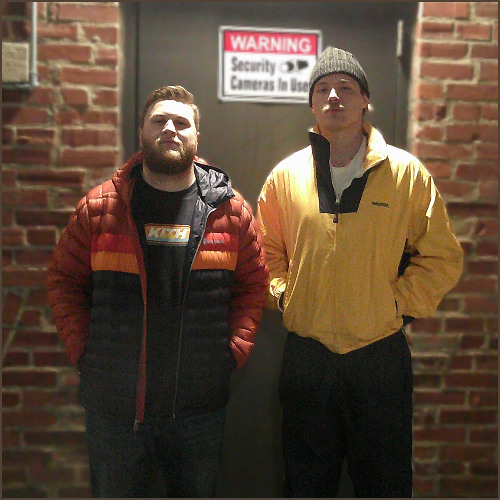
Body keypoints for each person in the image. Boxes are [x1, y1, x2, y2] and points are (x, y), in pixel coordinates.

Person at [257, 47, 463, 498]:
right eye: (322, 89)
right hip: (308, 357)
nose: (334, 96)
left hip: (379, 357)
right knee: (306, 484)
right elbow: (265, 251)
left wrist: (396, 305)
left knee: (385, 483)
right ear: (312, 103)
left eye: (345, 87)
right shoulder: (285, 177)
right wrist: (285, 295)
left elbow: (441, 257)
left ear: (365, 99)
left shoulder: (405, 174)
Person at [48, 85, 268, 498]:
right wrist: (85, 351)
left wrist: (233, 350)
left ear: (196, 136)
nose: (170, 129)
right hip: (115, 410)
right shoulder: (100, 208)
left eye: (181, 123)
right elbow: (64, 280)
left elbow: (254, 284)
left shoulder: (230, 211)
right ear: (142, 131)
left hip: (198, 410)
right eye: (159, 121)